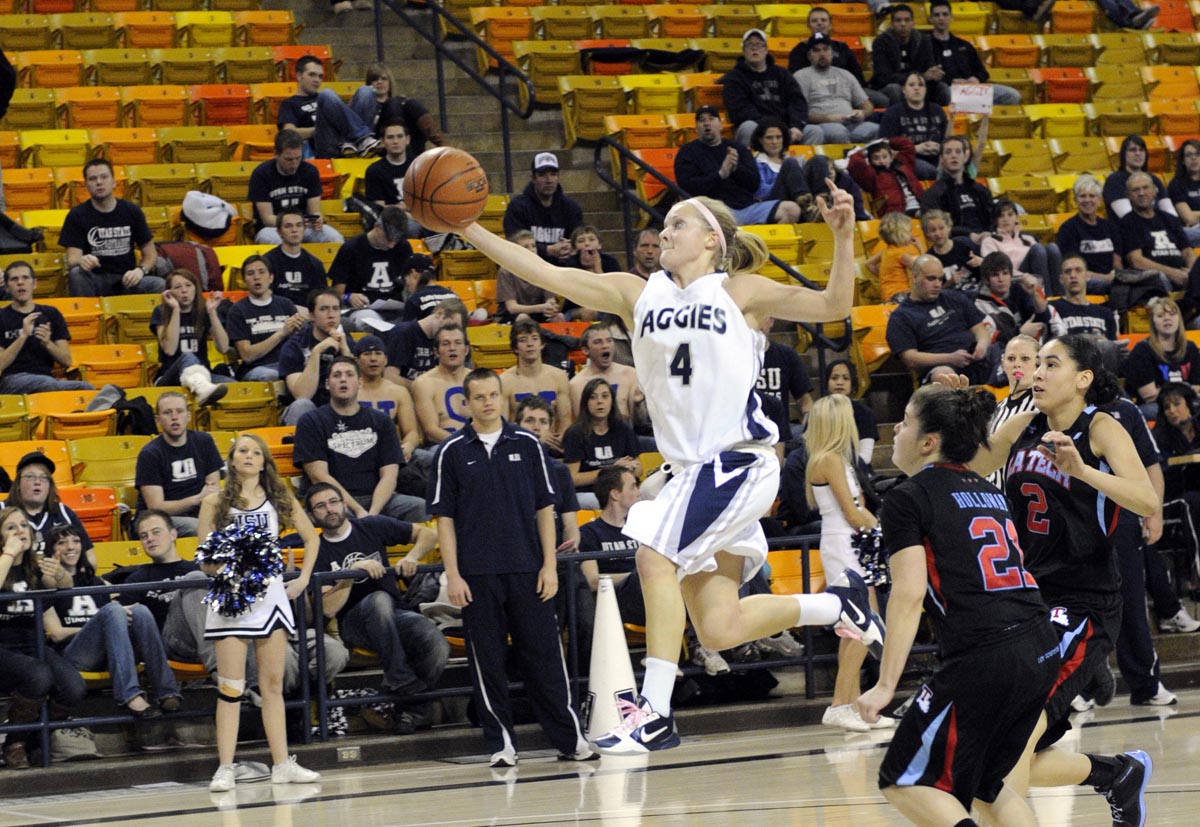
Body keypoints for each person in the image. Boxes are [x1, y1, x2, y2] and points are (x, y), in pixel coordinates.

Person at [453, 185, 884, 755]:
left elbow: (835, 305)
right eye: (665, 223)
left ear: (712, 239)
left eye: (679, 223)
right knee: (719, 627)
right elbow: (541, 271)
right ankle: (841, 605)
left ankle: (653, 709)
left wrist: (844, 234)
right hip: (693, 475)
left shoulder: (741, 291)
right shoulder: (637, 293)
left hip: (738, 461)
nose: (665, 231)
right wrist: (468, 229)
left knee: (652, 553)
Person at [939, 334, 1159, 827]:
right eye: (1035, 363)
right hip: (1028, 603)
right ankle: (1116, 774)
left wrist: (1082, 470)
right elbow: (963, 469)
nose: (1037, 372)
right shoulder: (1023, 426)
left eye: (1050, 363)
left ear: (1082, 379)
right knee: (995, 747)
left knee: (1013, 733)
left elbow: (1146, 500)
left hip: (1084, 602)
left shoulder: (1101, 427)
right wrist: (954, 413)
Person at [854, 385, 1060, 827]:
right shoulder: (988, 490)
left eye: (905, 422)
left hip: (987, 651)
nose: (898, 432)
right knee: (987, 784)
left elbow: (909, 596)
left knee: (905, 780)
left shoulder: (909, 497)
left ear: (929, 441)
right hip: (1040, 644)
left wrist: (886, 685)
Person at [427, 369, 595, 767]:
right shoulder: (450, 452)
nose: (487, 402)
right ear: (466, 402)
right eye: (479, 396)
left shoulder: (528, 445)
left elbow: (545, 509)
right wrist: (453, 574)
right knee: (487, 664)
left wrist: (549, 566)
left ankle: (570, 740)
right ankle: (501, 743)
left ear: (503, 398)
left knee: (546, 660)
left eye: (493, 395)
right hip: (477, 576)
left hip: (528, 570)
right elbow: (444, 520)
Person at [199, 434, 321, 793]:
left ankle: (282, 764)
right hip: (232, 598)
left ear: (264, 461)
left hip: (269, 598)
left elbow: (311, 538)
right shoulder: (214, 502)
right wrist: (229, 568)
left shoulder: (279, 497)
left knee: (272, 686)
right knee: (231, 687)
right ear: (232, 460)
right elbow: (204, 560)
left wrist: (302, 580)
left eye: (256, 452)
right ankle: (225, 768)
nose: (249, 456)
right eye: (243, 451)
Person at [304, 482, 447, 734]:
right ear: (311, 515)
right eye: (320, 506)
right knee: (378, 599)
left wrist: (412, 557)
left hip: (395, 614)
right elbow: (327, 610)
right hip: (352, 625)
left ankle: (408, 709)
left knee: (434, 641)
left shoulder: (371, 525)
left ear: (344, 503)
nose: (329, 509)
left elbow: (429, 535)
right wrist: (349, 575)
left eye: (334, 501)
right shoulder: (317, 550)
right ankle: (404, 684)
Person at [806, 395, 892, 733]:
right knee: (862, 624)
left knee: (856, 627)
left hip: (851, 541)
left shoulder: (838, 459)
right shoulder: (827, 459)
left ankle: (856, 707)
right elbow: (852, 513)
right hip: (844, 543)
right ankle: (840, 704)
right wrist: (884, 530)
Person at [44, 524, 182, 719]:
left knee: (140, 611)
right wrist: (101, 622)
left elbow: (117, 613)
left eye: (75, 541)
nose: (70, 547)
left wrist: (111, 618)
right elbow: (55, 633)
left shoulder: (97, 582)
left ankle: (166, 690)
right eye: (61, 543)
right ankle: (129, 695)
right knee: (112, 611)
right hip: (74, 655)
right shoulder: (45, 584)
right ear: (51, 550)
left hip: (110, 654)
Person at [293, 355, 427, 522]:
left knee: (417, 507)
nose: (343, 380)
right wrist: (358, 511)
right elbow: (319, 476)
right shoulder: (311, 421)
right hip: (333, 501)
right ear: (327, 384)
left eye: (349, 375)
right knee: (333, 515)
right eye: (337, 375)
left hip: (377, 499)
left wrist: (373, 513)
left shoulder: (381, 421)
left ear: (360, 383)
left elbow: (389, 475)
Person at [0, 507, 84, 770]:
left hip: (32, 641)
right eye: (11, 527)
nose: (19, 531)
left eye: (24, 525)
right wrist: (9, 553)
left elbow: (67, 585)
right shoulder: (4, 561)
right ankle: (14, 744)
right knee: (39, 675)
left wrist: (58, 575)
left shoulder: (34, 565)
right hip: (2, 644)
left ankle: (35, 738)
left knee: (73, 687)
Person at [676, 105, 802, 227]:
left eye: (711, 119)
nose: (707, 123)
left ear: (720, 125)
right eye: (701, 120)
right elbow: (687, 187)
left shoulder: (738, 148)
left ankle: (770, 246)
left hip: (747, 208)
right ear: (696, 128)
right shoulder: (687, 152)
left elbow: (754, 184)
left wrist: (736, 169)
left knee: (791, 210)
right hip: (714, 211)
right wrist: (720, 174)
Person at [61, 159, 164, 298]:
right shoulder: (77, 215)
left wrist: (140, 271)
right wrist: (82, 260)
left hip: (126, 279)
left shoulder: (132, 211)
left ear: (114, 182)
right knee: (76, 274)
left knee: (159, 284)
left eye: (104, 177)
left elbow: (150, 254)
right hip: (95, 279)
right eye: (93, 179)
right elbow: (73, 259)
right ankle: (88, 318)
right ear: (86, 186)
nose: (99, 182)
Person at [886, 254, 994, 385]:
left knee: (1016, 356)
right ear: (914, 277)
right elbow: (910, 358)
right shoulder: (901, 317)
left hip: (976, 359)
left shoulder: (955, 298)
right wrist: (950, 358)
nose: (937, 284)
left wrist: (982, 345)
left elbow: (980, 329)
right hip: (941, 366)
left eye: (940, 279)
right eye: (931, 279)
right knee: (946, 376)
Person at [135, 391, 224, 537]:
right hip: (159, 519)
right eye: (167, 413)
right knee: (199, 527)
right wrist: (196, 500)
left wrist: (205, 503)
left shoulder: (204, 441)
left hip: (200, 512)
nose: (174, 417)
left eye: (179, 411)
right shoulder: (150, 454)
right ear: (158, 420)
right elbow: (156, 507)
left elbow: (212, 490)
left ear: (188, 416)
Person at [0, 261, 94, 394]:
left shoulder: (51, 314)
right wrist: (23, 336)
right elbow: (1, 364)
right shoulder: (1, 316)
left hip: (47, 379)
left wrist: (47, 343)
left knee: (87, 388)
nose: (20, 282)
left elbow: (67, 361)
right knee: (50, 384)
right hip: (13, 381)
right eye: (14, 279)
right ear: (7, 288)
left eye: (25, 278)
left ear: (34, 284)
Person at [722, 28, 821, 148]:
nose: (754, 48)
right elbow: (740, 110)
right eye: (749, 45)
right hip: (757, 127)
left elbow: (797, 102)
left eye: (759, 44)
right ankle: (750, 165)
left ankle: (796, 165)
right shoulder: (734, 78)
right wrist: (769, 129)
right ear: (743, 51)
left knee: (814, 131)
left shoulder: (782, 74)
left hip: (785, 127)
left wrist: (796, 126)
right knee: (748, 127)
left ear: (766, 50)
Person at [150, 268, 232, 406]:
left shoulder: (203, 312)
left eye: (188, 285)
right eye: (177, 287)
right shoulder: (161, 311)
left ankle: (203, 388)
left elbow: (223, 347)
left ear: (196, 288)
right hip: (169, 376)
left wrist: (212, 313)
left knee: (232, 387)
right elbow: (169, 349)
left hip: (204, 375)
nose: (184, 290)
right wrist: (175, 310)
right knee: (188, 356)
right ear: (169, 293)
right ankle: (202, 389)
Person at [248, 130, 344, 246]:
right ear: (276, 154)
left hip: (304, 226)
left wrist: (317, 219)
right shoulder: (262, 174)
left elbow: (314, 210)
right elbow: (267, 218)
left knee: (334, 237)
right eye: (288, 159)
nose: (294, 164)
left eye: (298, 158)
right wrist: (293, 223)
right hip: (274, 228)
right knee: (277, 240)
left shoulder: (310, 171)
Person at [277, 287, 356, 426]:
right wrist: (316, 353)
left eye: (336, 309)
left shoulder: (348, 343)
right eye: (324, 309)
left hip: (340, 407)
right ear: (311, 315)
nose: (331, 315)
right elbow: (302, 394)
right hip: (309, 411)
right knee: (302, 405)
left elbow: (362, 388)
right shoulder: (294, 346)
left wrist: (346, 353)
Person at [278, 54, 380, 159]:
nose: (317, 80)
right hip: (325, 145)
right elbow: (288, 133)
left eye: (320, 76)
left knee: (366, 91)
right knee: (326, 94)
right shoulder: (290, 103)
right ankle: (363, 138)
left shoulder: (329, 100)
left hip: (346, 141)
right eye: (312, 75)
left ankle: (354, 143)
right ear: (299, 76)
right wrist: (318, 129)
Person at [329, 205, 413, 331]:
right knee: (371, 321)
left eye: (395, 241)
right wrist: (349, 297)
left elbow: (412, 282)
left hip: (395, 308)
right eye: (388, 239)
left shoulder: (402, 247)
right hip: (363, 309)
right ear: (377, 227)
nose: (391, 245)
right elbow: (336, 293)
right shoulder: (351, 248)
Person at [563, 377, 642, 510]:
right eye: (593, 397)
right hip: (588, 493)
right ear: (586, 403)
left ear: (612, 401)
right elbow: (572, 478)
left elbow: (639, 470)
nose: (599, 401)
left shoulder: (623, 429)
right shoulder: (575, 433)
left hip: (620, 490)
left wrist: (631, 468)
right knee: (612, 502)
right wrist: (611, 470)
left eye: (605, 396)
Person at [226, 254, 305, 382]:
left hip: (287, 364)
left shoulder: (286, 304)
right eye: (250, 273)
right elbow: (247, 355)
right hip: (257, 369)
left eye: (261, 272)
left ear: (271, 278)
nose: (256, 277)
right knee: (273, 375)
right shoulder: (237, 311)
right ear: (245, 281)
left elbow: (299, 342)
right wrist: (282, 333)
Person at [928, 1, 1023, 105]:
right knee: (946, 92)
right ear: (931, 19)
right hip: (949, 90)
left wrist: (975, 79)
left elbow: (982, 72)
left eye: (945, 14)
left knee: (1012, 95)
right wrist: (952, 81)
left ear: (951, 17)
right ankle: (977, 108)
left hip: (973, 89)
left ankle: (979, 113)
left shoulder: (964, 45)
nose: (941, 18)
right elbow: (927, 76)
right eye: (937, 15)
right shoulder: (925, 46)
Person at [792, 34, 879, 145]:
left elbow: (867, 105)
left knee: (877, 129)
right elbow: (800, 113)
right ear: (809, 55)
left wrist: (862, 113)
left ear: (832, 53)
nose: (822, 54)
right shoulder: (801, 76)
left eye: (826, 49)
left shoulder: (845, 74)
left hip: (852, 123)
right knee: (838, 132)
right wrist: (828, 118)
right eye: (816, 50)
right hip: (821, 125)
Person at [1055, 174, 1134, 296]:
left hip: (1111, 279)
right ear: (1075, 201)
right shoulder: (1068, 229)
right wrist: (1108, 278)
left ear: (1099, 200)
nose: (1087, 200)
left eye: (1092, 196)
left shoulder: (1110, 227)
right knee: (1115, 287)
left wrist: (1115, 276)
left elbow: (1117, 263)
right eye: (1082, 196)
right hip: (1085, 281)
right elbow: (1074, 270)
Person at [787, 7, 882, 107]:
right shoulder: (799, 50)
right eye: (814, 21)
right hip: (815, 92)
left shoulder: (842, 47)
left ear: (830, 25)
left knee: (881, 100)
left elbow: (857, 75)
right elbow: (794, 82)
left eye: (823, 20)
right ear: (808, 26)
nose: (819, 23)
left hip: (846, 90)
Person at [500, 319, 573, 451]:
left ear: (542, 344)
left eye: (534, 338)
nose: (530, 344)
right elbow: (503, 425)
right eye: (523, 340)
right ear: (515, 348)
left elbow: (565, 419)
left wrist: (560, 439)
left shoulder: (559, 377)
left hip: (553, 448)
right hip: (518, 447)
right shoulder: (505, 381)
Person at [5, 451, 92, 560]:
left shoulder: (64, 513)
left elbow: (90, 558)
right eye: (30, 477)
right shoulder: (2, 511)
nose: (37, 482)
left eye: (44, 477)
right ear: (18, 484)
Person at [1121, 296, 1200, 414]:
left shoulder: (1190, 348)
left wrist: (1165, 390)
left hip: (1186, 403)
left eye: (1172, 314)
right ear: (1153, 321)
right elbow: (1150, 396)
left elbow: (1197, 387)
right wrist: (1187, 391)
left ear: (1179, 319)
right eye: (1160, 316)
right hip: (1155, 406)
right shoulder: (1142, 350)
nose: (1167, 319)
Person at [354, 335, 423, 468]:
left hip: (393, 454)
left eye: (378, 353)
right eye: (367, 354)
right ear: (356, 360)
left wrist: (408, 445)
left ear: (385, 360)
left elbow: (411, 431)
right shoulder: (350, 391)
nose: (373, 358)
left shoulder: (398, 392)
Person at [502, 152, 584, 265]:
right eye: (542, 175)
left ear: (558, 177)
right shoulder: (517, 207)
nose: (549, 180)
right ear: (533, 178)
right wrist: (547, 250)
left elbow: (580, 238)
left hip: (564, 269)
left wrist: (572, 246)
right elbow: (514, 245)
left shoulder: (571, 208)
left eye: (553, 174)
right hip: (528, 268)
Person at [1119, 171, 1196, 290]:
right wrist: (1172, 273)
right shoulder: (1127, 222)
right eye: (1136, 190)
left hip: (1182, 274)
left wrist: (1192, 272)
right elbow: (1136, 261)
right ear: (1128, 195)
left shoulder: (1170, 219)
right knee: (1160, 277)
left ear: (1155, 191)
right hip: (1155, 278)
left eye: (1145, 188)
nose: (1141, 193)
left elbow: (1188, 251)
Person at [349, 63, 444, 156]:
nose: (379, 82)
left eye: (384, 79)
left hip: (403, 144)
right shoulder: (362, 104)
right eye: (375, 79)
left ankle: (446, 149)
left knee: (412, 104)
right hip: (373, 143)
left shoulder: (400, 103)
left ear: (390, 82)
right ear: (369, 83)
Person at [984, 334, 1040, 490]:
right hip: (993, 498)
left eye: (1025, 359)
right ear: (1003, 364)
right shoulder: (996, 408)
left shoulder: (1044, 406)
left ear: (1038, 364)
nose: (1017, 365)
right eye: (1011, 359)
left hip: (1023, 498)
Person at [919, 137, 995, 248]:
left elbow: (993, 219)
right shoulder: (933, 194)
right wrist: (968, 234)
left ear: (965, 156)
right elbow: (935, 227)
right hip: (954, 244)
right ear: (942, 159)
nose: (953, 156)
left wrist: (988, 233)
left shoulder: (980, 190)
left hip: (986, 241)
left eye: (958, 152)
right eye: (948, 152)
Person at [973, 251, 1056, 350]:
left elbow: (1044, 317)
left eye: (1005, 273)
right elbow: (991, 338)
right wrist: (1020, 333)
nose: (1001, 279)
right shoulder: (978, 304)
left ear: (1011, 275)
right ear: (987, 280)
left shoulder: (1020, 289)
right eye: (995, 275)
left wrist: (1034, 293)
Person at [870, 5, 949, 106]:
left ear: (913, 23)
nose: (903, 24)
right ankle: (899, 120)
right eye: (898, 21)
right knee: (895, 89)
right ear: (892, 24)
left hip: (918, 84)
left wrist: (935, 73)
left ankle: (939, 119)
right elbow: (883, 77)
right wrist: (921, 77)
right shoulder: (881, 42)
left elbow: (929, 67)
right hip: (891, 87)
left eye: (907, 20)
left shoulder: (923, 40)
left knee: (942, 88)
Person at [980, 199, 1062, 294]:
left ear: (1017, 218)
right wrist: (1024, 276)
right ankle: (1045, 297)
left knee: (1052, 248)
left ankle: (1061, 296)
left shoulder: (1028, 238)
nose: (1006, 219)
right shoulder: (989, 241)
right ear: (995, 221)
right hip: (1015, 280)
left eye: (1010, 215)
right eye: (1001, 216)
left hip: (1034, 276)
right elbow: (993, 267)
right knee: (1038, 249)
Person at [382, 297, 469, 386]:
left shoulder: (445, 340)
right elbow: (390, 377)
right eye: (449, 326)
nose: (450, 333)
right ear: (439, 313)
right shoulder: (403, 333)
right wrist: (423, 389)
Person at [878, 73, 950, 180]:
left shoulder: (937, 110)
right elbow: (884, 147)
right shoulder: (893, 113)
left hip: (938, 157)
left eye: (921, 85)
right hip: (908, 159)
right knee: (929, 170)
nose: (917, 88)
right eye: (911, 85)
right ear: (903, 90)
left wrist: (940, 148)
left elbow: (948, 139)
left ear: (925, 89)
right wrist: (915, 149)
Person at [411, 324, 470, 446]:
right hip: (441, 447)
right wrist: (466, 445)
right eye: (445, 344)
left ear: (466, 350)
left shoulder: (479, 381)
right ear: (436, 352)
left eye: (458, 343)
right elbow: (431, 431)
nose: (452, 348)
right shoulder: (424, 383)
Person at [757, 316, 814, 439]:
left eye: (762, 316)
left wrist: (809, 426)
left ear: (772, 320)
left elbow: (805, 399)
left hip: (780, 430)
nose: (759, 324)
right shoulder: (736, 356)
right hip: (748, 430)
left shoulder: (787, 355)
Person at [263, 208, 330, 309]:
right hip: (277, 314)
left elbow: (321, 299)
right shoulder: (267, 262)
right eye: (288, 226)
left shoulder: (315, 264)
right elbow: (265, 298)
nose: (294, 230)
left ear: (304, 229)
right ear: (279, 232)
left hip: (307, 317)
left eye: (299, 225)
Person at [495, 230, 564, 323]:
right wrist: (540, 308)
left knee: (559, 317)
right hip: (511, 316)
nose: (531, 250)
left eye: (533, 246)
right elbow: (512, 308)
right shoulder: (505, 272)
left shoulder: (545, 270)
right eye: (526, 247)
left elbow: (550, 299)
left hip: (538, 313)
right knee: (523, 318)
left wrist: (551, 306)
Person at [848, 137, 924, 218]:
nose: (882, 161)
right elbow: (855, 163)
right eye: (876, 158)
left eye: (885, 157)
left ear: (891, 157)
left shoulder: (903, 164)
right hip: (896, 214)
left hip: (920, 204)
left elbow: (907, 145)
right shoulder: (872, 175)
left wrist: (888, 141)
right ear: (870, 161)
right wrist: (864, 151)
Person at [1104, 135, 1175, 220]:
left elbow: (1170, 212)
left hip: (1160, 227)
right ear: (1124, 154)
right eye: (1132, 150)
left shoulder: (1154, 179)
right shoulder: (1115, 180)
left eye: (1141, 150)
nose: (1138, 153)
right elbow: (1127, 218)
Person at [824, 359, 878, 468]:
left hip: (857, 469)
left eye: (846, 378)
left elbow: (865, 456)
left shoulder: (864, 413)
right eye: (834, 378)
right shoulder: (818, 411)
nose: (839, 382)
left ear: (853, 384)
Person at [1050, 256, 1118, 340]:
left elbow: (1114, 349)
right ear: (1061, 279)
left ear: (1087, 276)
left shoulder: (1105, 313)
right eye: (1068, 271)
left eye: (1078, 270)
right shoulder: (1052, 309)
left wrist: (1106, 344)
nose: (1073, 275)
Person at [748, 118, 811, 206]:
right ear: (760, 140)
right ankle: (805, 204)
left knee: (819, 160)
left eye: (778, 137)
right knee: (790, 163)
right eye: (769, 138)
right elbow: (761, 193)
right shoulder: (756, 163)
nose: (774, 142)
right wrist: (787, 181)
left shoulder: (795, 159)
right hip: (774, 203)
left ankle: (823, 203)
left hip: (795, 200)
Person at [867, 212, 923, 303]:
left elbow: (869, 264)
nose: (912, 235)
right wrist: (920, 248)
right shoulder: (899, 254)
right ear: (901, 234)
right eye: (909, 232)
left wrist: (883, 278)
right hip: (899, 295)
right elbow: (923, 268)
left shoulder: (886, 251)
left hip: (887, 295)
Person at [922, 209, 982, 292]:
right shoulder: (929, 259)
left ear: (949, 228)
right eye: (933, 230)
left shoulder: (964, 244)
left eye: (941, 228)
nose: (938, 233)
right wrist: (949, 284)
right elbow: (931, 292)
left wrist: (982, 262)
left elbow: (992, 267)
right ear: (927, 235)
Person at [399, 255, 452, 322]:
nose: (407, 286)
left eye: (405, 279)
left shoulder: (415, 301)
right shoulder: (453, 296)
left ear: (413, 273)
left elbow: (407, 331)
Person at [1168, 138, 1200, 246]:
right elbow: (1189, 218)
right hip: (1191, 230)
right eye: (1189, 155)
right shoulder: (1177, 184)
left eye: (1197, 154)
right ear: (1183, 160)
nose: (1194, 158)